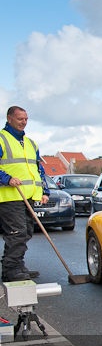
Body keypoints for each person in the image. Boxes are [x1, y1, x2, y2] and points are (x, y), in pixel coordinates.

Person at [0, 106, 49, 282]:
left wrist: (44, 191)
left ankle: (17, 265)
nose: (24, 122)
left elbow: (38, 169)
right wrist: (6, 179)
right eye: (20, 118)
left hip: (28, 195)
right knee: (16, 233)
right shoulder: (1, 139)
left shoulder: (30, 143)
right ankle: (11, 269)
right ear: (9, 118)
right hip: (9, 196)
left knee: (27, 231)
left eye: (26, 119)